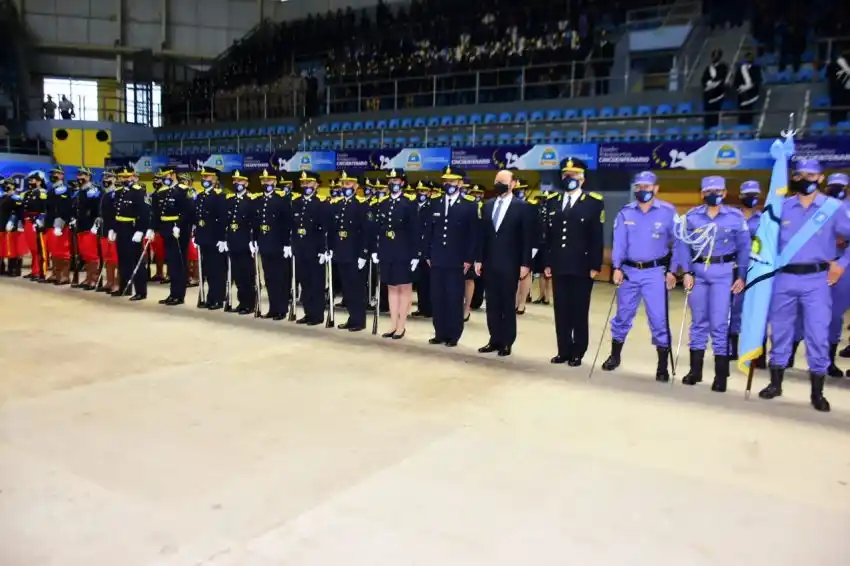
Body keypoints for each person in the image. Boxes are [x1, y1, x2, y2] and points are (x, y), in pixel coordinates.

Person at [760, 159, 850, 412]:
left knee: (817, 334)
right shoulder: (782, 207)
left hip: (817, 280)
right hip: (783, 278)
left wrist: (842, 263)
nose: (805, 179)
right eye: (800, 174)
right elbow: (767, 243)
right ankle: (776, 384)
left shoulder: (833, 208)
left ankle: (817, 392)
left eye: (811, 175)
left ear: (821, 178)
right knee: (779, 331)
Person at [602, 171, 680, 381]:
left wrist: (673, 270)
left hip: (656, 273)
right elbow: (619, 243)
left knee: (658, 319)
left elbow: (679, 243)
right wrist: (616, 267)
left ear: (656, 189)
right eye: (639, 187)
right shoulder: (625, 213)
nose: (643, 190)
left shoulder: (668, 212)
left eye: (647, 187)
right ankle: (615, 356)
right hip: (629, 272)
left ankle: (662, 365)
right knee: (622, 316)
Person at [678, 176, 750, 392]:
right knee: (699, 321)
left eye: (718, 190)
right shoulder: (691, 217)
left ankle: (720, 376)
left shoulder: (735, 217)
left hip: (723, 273)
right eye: (709, 190)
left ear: (725, 193)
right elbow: (683, 246)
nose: (713, 194)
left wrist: (741, 275)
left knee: (719, 323)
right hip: (698, 273)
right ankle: (695, 371)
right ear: (702, 194)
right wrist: (686, 271)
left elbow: (744, 248)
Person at [543, 158, 604, 367]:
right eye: (566, 175)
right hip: (559, 265)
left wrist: (595, 265)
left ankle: (578, 350)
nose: (570, 178)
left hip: (581, 266)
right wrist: (548, 262)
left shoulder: (593, 202)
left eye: (574, 174)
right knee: (561, 310)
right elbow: (549, 236)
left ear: (583, 178)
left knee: (579, 310)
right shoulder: (552, 201)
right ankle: (563, 350)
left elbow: (597, 236)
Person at [475, 169, 533, 357]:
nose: (499, 184)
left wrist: (525, 263)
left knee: (507, 303)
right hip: (489, 262)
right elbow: (482, 236)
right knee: (491, 303)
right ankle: (494, 339)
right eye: (497, 180)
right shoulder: (488, 205)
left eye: (503, 181)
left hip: (511, 263)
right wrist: (478, 259)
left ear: (513, 184)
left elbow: (526, 238)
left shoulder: (522, 207)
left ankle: (507, 341)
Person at [424, 166, 478, 347]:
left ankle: (453, 334)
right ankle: (440, 332)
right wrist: (428, 253)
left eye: (452, 181)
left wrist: (469, 258)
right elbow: (429, 231)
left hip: (457, 259)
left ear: (460, 183)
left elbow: (472, 235)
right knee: (438, 296)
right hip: (437, 257)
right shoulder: (436, 202)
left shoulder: (470, 205)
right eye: (446, 181)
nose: (448, 184)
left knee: (454, 297)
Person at [372, 168, 419, 339]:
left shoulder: (409, 203)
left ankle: (401, 326)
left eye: (397, 181)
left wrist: (415, 254)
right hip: (387, 250)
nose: (393, 183)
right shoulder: (383, 203)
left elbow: (415, 230)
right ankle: (392, 325)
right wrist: (376, 249)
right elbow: (379, 228)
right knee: (391, 287)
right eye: (391, 181)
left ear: (403, 183)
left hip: (404, 251)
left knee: (404, 288)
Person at [329, 171, 370, 331]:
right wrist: (331, 249)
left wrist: (364, 253)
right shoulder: (338, 205)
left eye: (349, 184)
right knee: (347, 289)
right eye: (344, 184)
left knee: (357, 288)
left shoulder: (361, 205)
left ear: (356, 186)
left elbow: (367, 231)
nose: (345, 186)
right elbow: (334, 230)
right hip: (341, 252)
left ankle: (359, 320)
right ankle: (352, 317)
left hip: (355, 253)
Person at [729, 180, 763, 363]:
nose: (751, 198)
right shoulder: (732, 217)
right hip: (735, 268)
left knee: (757, 308)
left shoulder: (765, 219)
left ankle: (757, 350)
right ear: (740, 196)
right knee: (734, 307)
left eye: (755, 195)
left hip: (758, 269)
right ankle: (732, 347)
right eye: (747, 195)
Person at [252, 170, 293, 320]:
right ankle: (273, 308)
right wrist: (255, 240)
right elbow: (256, 223)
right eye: (264, 181)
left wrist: (287, 244)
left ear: (275, 182)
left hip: (278, 244)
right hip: (264, 243)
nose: (266, 183)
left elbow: (287, 223)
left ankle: (282, 309)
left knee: (280, 278)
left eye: (269, 181)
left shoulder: (281, 200)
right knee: (269, 278)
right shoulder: (259, 200)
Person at [820, 172, 850, 377]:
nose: (837, 190)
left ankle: (829, 360)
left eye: (841, 186)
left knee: (834, 315)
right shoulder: (817, 206)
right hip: (818, 264)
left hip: (844, 268)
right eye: (833, 186)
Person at [291, 170, 329, 325]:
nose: (306, 185)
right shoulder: (297, 202)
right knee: (304, 283)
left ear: (316, 184)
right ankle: (308, 312)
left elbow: (324, 229)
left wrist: (323, 250)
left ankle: (317, 314)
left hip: (315, 249)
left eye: (309, 183)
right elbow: (293, 226)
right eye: (304, 183)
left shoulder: (321, 203)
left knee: (316, 283)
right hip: (300, 248)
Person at [155, 168, 192, 306]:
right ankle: (172, 293)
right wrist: (154, 228)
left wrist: (179, 225)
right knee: (171, 263)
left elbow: (188, 211)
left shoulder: (183, 190)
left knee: (179, 264)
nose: (165, 178)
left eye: (167, 175)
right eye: (163, 176)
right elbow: (158, 212)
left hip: (179, 231)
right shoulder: (162, 192)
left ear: (174, 175)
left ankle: (179, 295)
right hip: (166, 230)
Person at [113, 167, 151, 301]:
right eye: (122, 177)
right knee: (123, 260)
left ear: (133, 177)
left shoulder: (138, 192)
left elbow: (145, 213)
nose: (124, 179)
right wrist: (113, 228)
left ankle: (141, 291)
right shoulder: (119, 192)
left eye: (127, 177)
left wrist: (141, 230)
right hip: (121, 229)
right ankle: (125, 287)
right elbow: (116, 212)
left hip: (132, 229)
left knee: (137, 261)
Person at [194, 166, 228, 310]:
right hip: (204, 238)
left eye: (207, 177)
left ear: (215, 179)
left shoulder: (220, 196)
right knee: (206, 269)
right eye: (203, 177)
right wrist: (196, 236)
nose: (204, 179)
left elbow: (222, 218)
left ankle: (218, 298)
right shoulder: (201, 196)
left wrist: (222, 238)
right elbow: (198, 218)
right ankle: (209, 297)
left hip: (215, 238)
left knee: (217, 270)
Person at [225, 170, 258, 315]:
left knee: (247, 274)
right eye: (235, 181)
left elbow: (254, 223)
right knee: (237, 275)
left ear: (246, 183)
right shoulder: (230, 200)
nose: (237, 183)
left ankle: (249, 303)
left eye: (240, 181)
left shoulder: (251, 200)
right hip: (233, 241)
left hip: (246, 242)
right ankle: (241, 302)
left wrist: (253, 240)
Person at [72, 167, 102, 290]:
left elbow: (99, 208)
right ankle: (88, 277)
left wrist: (97, 222)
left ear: (89, 177)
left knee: (92, 254)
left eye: (83, 175)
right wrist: (73, 218)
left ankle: (94, 279)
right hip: (80, 225)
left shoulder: (94, 190)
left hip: (91, 226)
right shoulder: (79, 192)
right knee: (85, 254)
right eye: (79, 175)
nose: (80, 177)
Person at [411, 180, 437, 318]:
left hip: (427, 248)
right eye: (419, 191)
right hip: (414, 247)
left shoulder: (433, 206)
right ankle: (421, 307)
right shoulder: (412, 205)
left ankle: (430, 308)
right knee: (419, 280)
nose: (421, 193)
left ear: (430, 192)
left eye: (424, 191)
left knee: (429, 281)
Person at [44, 166, 72, 285]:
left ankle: (64, 276)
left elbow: (64, 208)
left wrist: (59, 224)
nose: (53, 175)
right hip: (50, 223)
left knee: (62, 249)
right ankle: (56, 273)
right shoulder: (51, 189)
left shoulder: (63, 189)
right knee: (54, 250)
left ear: (62, 175)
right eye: (52, 173)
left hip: (59, 224)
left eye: (56, 173)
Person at [513, 178, 534, 315]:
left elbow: (536, 228)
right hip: (513, 245)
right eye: (517, 191)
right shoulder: (511, 205)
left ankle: (522, 303)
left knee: (526, 274)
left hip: (528, 245)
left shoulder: (531, 205)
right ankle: (514, 302)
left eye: (522, 190)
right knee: (513, 276)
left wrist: (534, 248)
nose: (520, 193)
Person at [97, 169, 120, 294]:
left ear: (115, 179)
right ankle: (109, 281)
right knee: (107, 257)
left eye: (109, 177)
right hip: (104, 229)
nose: (106, 180)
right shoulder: (104, 194)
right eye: (105, 177)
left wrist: (115, 228)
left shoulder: (116, 193)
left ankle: (117, 282)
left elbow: (117, 213)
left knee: (116, 258)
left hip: (114, 230)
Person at [0, 177, 25, 277]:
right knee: (2, 248)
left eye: (8, 185)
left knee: (13, 248)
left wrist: (13, 222)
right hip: (2, 226)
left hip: (12, 227)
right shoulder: (2, 197)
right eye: (5, 185)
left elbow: (18, 213)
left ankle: (14, 269)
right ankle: (1, 267)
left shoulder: (16, 198)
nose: (6, 186)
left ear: (13, 186)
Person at [148, 172, 168, 284]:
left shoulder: (167, 192)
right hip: (157, 227)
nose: (156, 182)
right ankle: (159, 273)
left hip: (166, 226)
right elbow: (154, 212)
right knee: (158, 252)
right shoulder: (154, 194)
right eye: (155, 179)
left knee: (168, 252)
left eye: (158, 179)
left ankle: (169, 274)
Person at [701, 49, 728, 130]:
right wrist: (708, 83)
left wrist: (713, 83)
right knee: (708, 114)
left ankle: (715, 129)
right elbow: (703, 79)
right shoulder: (708, 68)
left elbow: (721, 77)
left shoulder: (723, 67)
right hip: (708, 95)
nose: (714, 58)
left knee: (715, 113)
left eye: (717, 56)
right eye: (713, 56)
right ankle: (707, 128)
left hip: (717, 94)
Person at [734, 52, 761, 126]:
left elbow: (758, 80)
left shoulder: (756, 69)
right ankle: (741, 127)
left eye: (751, 57)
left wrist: (750, 86)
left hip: (752, 94)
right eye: (747, 58)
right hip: (742, 94)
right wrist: (740, 88)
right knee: (742, 112)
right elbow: (736, 82)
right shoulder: (740, 69)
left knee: (750, 111)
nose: (749, 59)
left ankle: (749, 127)